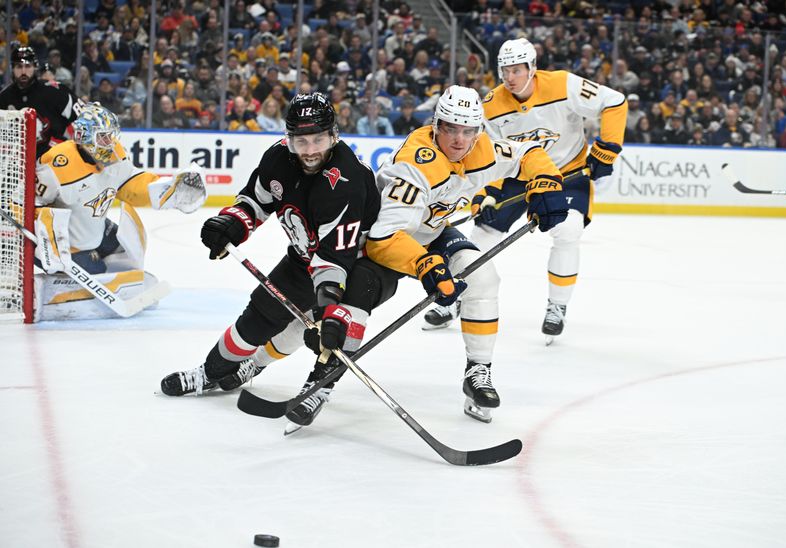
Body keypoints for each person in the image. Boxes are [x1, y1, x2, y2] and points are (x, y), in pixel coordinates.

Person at [261, 86, 567, 429]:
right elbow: (383, 239)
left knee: (483, 278)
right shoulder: (415, 165)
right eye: (450, 128)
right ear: (436, 125)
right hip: (379, 242)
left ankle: (478, 371)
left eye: (468, 130)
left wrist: (547, 181)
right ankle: (310, 381)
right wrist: (424, 265)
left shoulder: (484, 148)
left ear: (479, 130)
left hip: (431, 234)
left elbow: (529, 153)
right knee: (344, 315)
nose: (458, 139)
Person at [159, 93, 382, 408]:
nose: (311, 150)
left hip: (354, 264)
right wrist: (232, 225)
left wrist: (325, 309)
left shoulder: (347, 179)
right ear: (289, 139)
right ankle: (210, 372)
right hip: (303, 257)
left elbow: (334, 257)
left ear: (333, 135)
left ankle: (314, 384)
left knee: (334, 329)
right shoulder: (277, 159)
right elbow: (255, 201)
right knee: (257, 319)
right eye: (302, 142)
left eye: (318, 140)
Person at [422, 39, 627, 346]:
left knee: (568, 230)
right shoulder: (490, 105)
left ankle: (557, 306)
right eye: (505, 70)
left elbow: (614, 101)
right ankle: (460, 299)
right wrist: (484, 195)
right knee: (481, 236)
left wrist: (607, 148)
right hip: (518, 175)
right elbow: (485, 156)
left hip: (566, 174)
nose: (510, 77)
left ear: (532, 67)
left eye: (517, 70)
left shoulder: (563, 84)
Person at [33, 103, 206, 312]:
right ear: (85, 137)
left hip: (96, 227)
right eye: (103, 137)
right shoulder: (55, 165)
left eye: (111, 136)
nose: (110, 142)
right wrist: (47, 244)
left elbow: (129, 182)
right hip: (68, 243)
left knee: (127, 251)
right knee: (99, 271)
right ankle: (65, 285)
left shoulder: (114, 152)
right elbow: (34, 204)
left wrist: (167, 191)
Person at [0, 45, 84, 158]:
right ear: (13, 68)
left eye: (28, 66)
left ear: (35, 67)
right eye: (19, 66)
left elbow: (82, 116)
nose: (23, 71)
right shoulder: (4, 97)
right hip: (19, 164)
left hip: (57, 159)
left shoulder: (54, 90)